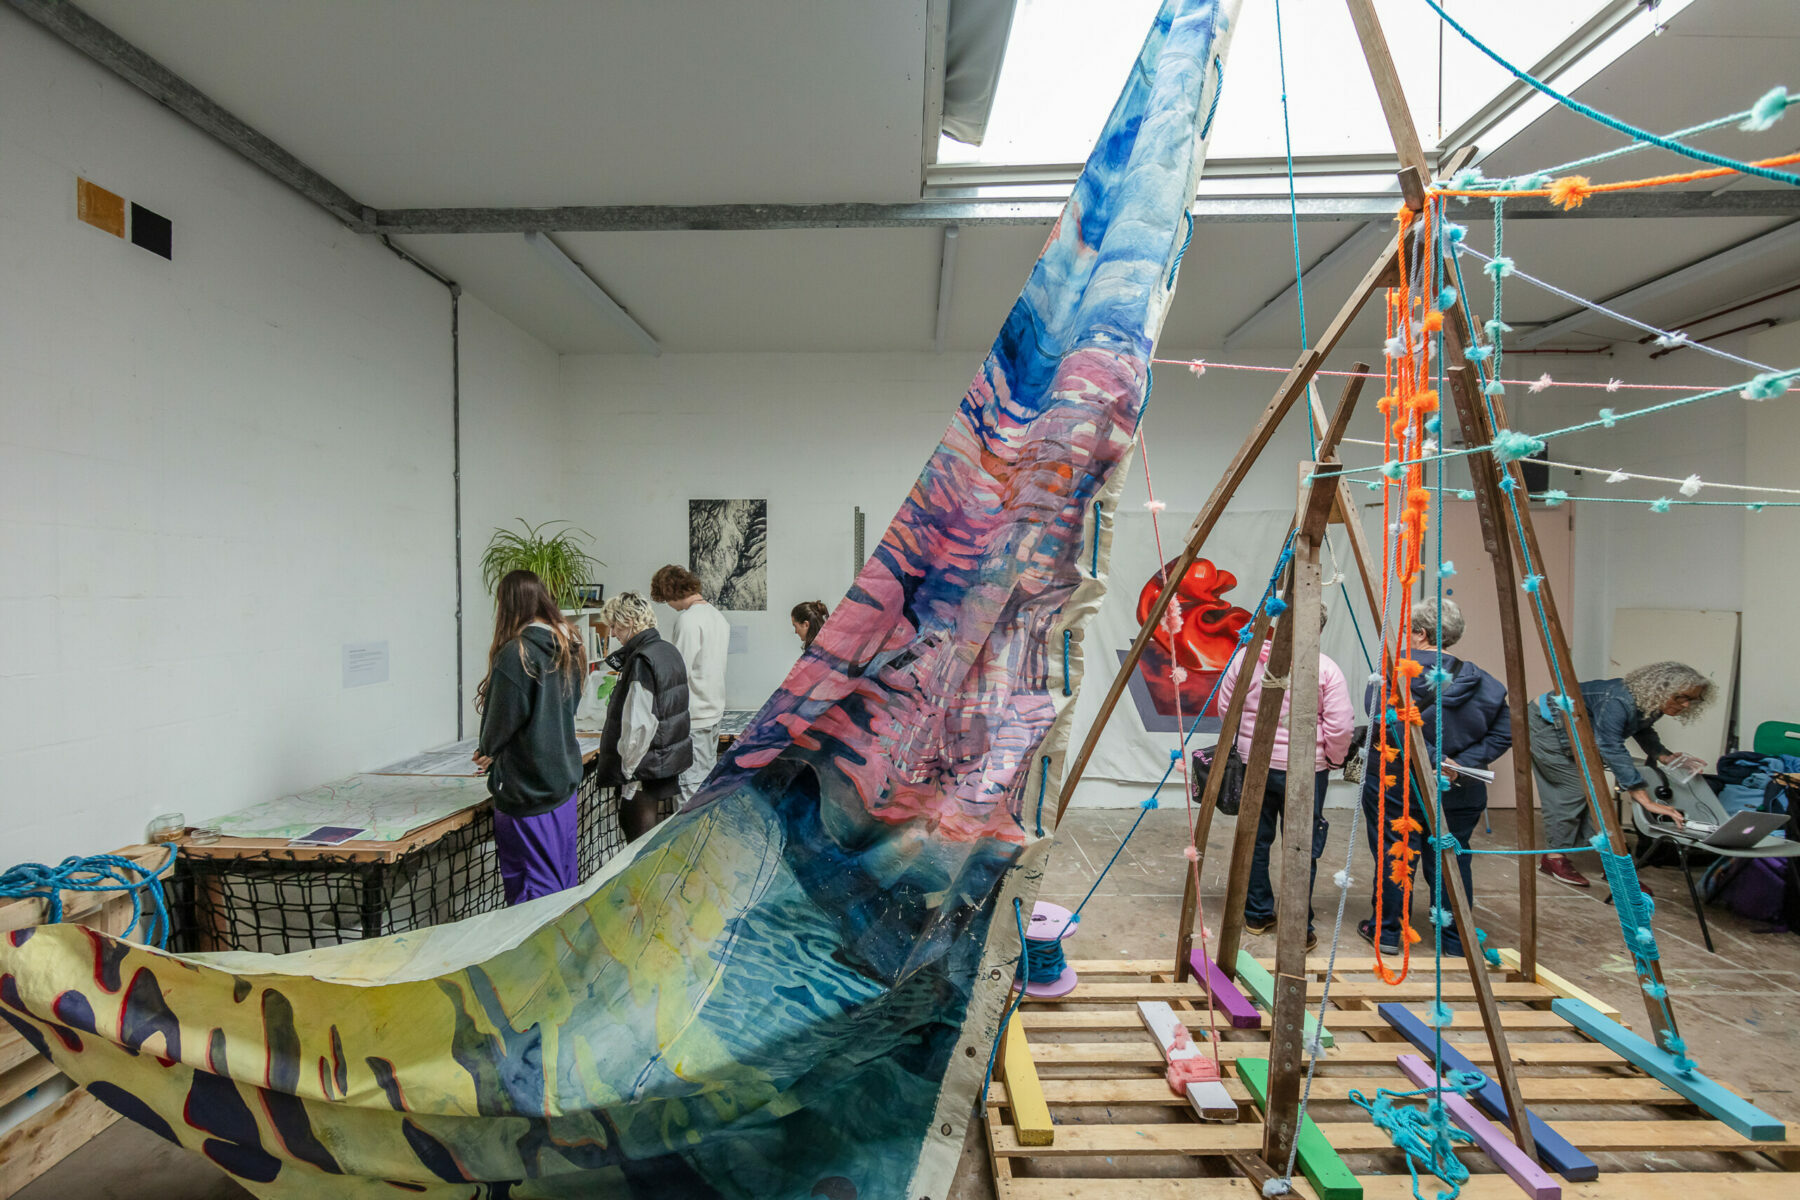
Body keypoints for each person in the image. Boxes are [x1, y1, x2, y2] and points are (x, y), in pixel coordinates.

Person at [1356, 599, 1511, 955]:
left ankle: (1388, 932)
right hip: (1459, 784)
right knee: (1451, 855)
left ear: (1421, 633)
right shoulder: (1486, 683)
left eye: (1408, 628)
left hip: (1399, 781)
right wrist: (1456, 763)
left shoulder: (1396, 673)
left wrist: (1435, 760)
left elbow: (1383, 724)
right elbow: (1504, 734)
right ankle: (1455, 939)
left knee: (1396, 851)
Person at [1215, 608, 1355, 951]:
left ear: (1277, 623)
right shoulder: (1326, 669)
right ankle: (1297, 925)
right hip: (1306, 770)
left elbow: (1225, 708)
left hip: (1254, 764)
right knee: (1300, 846)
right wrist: (1334, 759)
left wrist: (1243, 741)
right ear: (1317, 630)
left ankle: (1257, 914)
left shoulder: (1245, 661)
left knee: (1255, 840)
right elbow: (1340, 727)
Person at [1532, 661, 1711, 887]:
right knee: (1573, 791)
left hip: (1577, 726)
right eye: (1682, 697)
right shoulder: (1618, 701)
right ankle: (1553, 858)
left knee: (1594, 796)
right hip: (1548, 722)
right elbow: (1610, 745)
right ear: (1662, 690)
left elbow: (1641, 727)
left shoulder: (1650, 702)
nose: (1686, 704)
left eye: (1692, 700)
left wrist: (1664, 755)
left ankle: (1614, 864)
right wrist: (1642, 796)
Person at [474, 569, 586, 904]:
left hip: (528, 788)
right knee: (561, 881)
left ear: (508, 605)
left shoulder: (517, 653)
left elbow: (500, 721)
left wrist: (487, 750)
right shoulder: (570, 646)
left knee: (531, 890)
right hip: (561, 782)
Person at [593, 592, 694, 842]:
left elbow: (639, 722)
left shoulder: (641, 659)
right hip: (664, 760)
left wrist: (628, 770)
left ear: (628, 622)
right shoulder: (667, 651)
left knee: (637, 838)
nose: (613, 633)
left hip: (642, 766)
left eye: (614, 626)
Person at [651, 565, 730, 802]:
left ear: (670, 592)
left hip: (693, 718)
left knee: (689, 790)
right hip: (713, 711)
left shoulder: (688, 621)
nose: (669, 606)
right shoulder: (717, 616)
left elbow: (678, 671)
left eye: (666, 600)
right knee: (705, 784)